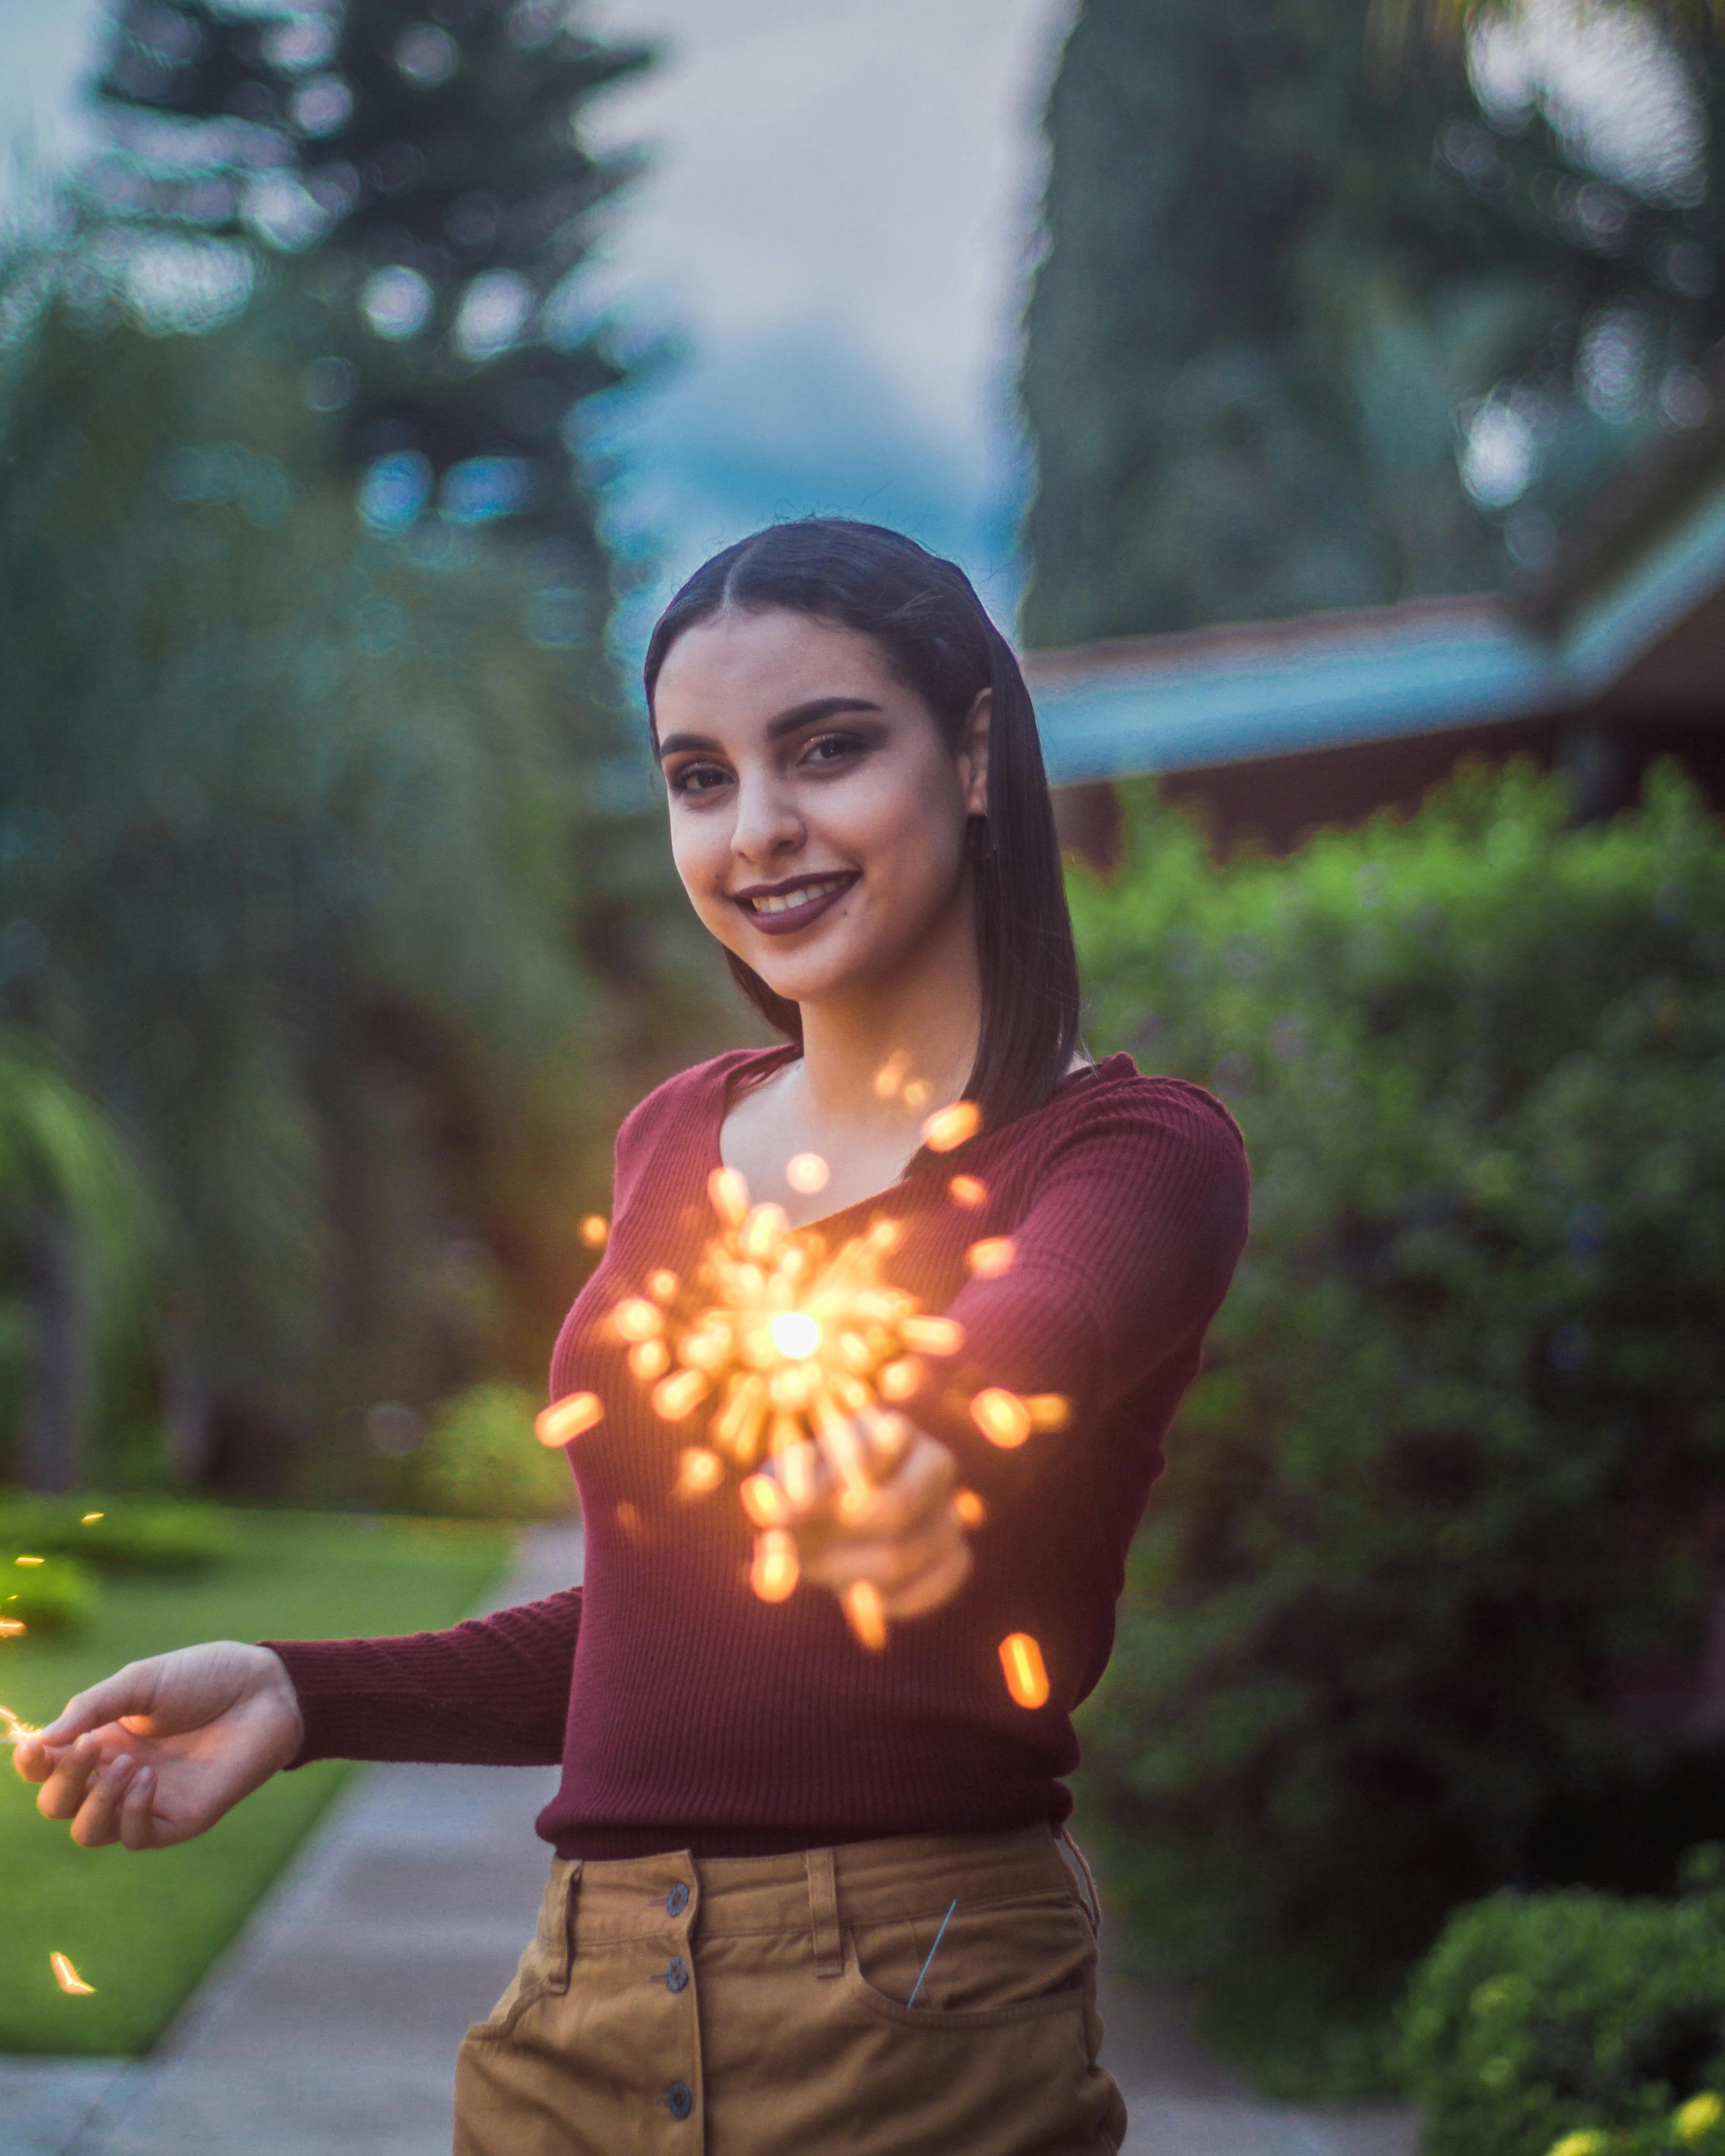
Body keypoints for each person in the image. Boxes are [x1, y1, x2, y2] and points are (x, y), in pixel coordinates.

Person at [15, 520, 1249, 2155]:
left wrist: (920, 1439)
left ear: (969, 754)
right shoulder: (675, 1135)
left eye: (826, 748)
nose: (761, 830)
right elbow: (665, 1628)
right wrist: (300, 1692)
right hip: (574, 2011)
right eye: (699, 775)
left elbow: (1032, 1332)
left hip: (914, 2007)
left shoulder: (1129, 1150)